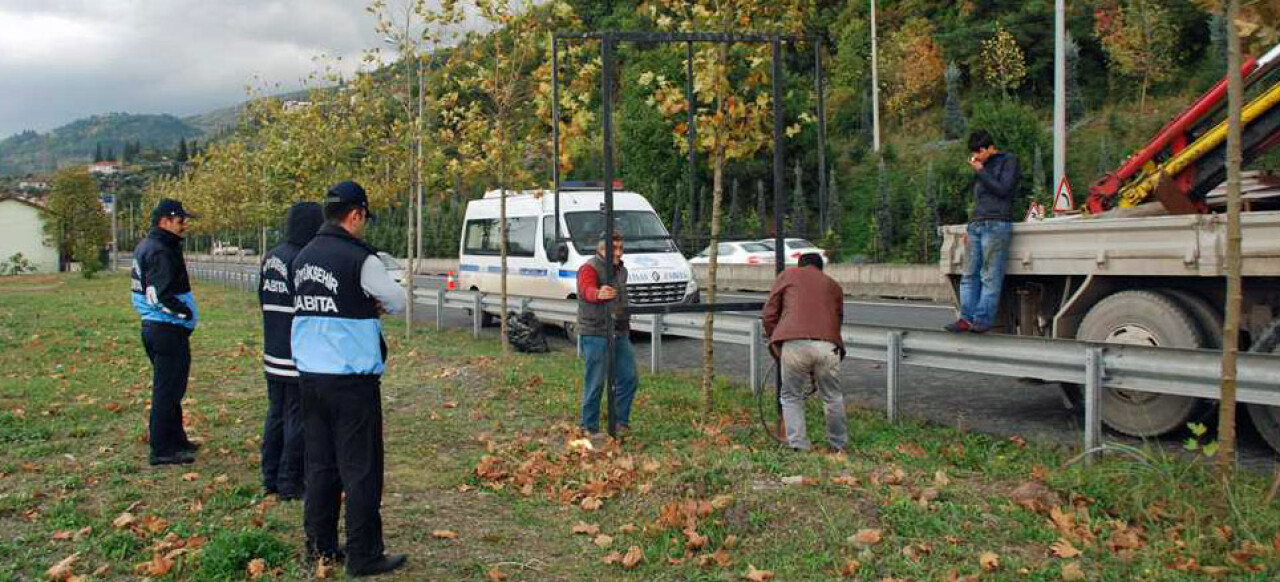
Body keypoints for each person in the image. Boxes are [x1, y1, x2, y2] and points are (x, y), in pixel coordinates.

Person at [291, 181, 407, 577]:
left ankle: (320, 545)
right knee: (361, 470)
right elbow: (397, 300)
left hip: (309, 377)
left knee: (321, 465)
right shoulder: (361, 259)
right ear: (355, 214)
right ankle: (364, 554)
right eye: (363, 218)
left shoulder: (303, 257)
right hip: (351, 382)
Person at [258, 201, 323, 500]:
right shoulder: (303, 260)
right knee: (298, 418)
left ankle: (269, 474)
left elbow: (262, 298)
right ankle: (290, 482)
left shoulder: (271, 257)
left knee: (276, 414)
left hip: (273, 348)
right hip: (296, 353)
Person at [130, 199, 200, 466]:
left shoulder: (151, 246)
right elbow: (157, 294)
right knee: (166, 391)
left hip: (158, 329)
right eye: (181, 220)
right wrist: (184, 313)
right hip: (166, 330)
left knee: (172, 388)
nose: (185, 225)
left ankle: (176, 439)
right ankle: (162, 449)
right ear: (165, 221)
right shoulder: (160, 250)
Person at [762, 252, 848, 452]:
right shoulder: (834, 285)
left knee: (791, 395)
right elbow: (837, 321)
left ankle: (799, 446)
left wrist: (777, 340)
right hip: (828, 346)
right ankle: (839, 446)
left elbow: (769, 314)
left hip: (794, 344)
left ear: (800, 265)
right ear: (821, 268)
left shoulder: (788, 276)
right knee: (832, 397)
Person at [947, 129, 1020, 334]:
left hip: (997, 223)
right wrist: (970, 226)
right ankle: (965, 318)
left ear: (988, 148)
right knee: (969, 274)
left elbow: (1003, 190)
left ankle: (982, 319)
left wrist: (981, 171)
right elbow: (980, 197)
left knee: (990, 275)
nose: (977, 157)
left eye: (979, 152)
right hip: (977, 224)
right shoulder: (982, 167)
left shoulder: (1008, 161)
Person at [576, 231, 638, 438]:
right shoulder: (589, 268)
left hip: (619, 331)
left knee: (629, 377)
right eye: (614, 249)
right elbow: (586, 289)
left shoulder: (622, 271)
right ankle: (588, 427)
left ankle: (621, 422)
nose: (619, 253)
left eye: (621, 248)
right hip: (595, 332)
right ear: (601, 249)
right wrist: (598, 293)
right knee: (596, 381)